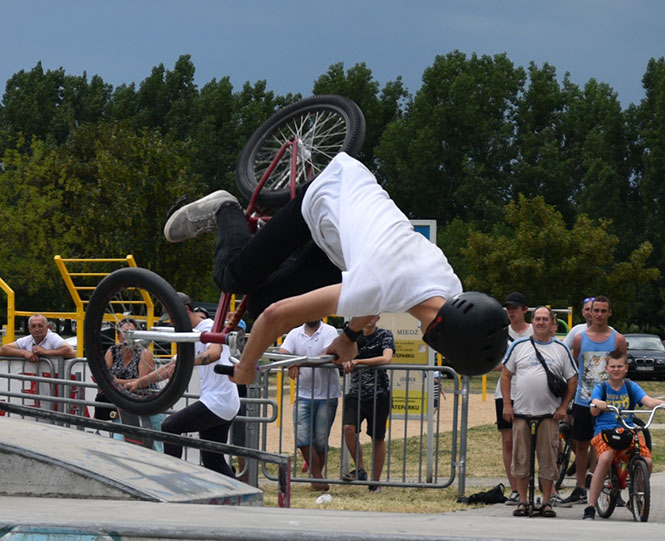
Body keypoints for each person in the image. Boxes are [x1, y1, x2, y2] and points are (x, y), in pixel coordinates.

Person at [163, 152, 508, 386]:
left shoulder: (448, 286)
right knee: (234, 278)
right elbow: (275, 317)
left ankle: (267, 248)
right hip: (326, 196)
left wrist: (349, 337)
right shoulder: (377, 283)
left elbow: (380, 295)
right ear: (441, 337)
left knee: (256, 303)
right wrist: (246, 366)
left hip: (347, 237)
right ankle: (225, 209)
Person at [128, 292, 239, 479]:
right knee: (213, 461)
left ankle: (172, 479)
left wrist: (186, 362)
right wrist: (138, 383)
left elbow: (214, 354)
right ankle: (240, 498)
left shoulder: (209, 328)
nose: (172, 323)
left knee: (170, 426)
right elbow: (169, 369)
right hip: (223, 402)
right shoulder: (192, 336)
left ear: (185, 310)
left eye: (172, 317)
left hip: (218, 401)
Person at [581, 349, 665, 520]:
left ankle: (637, 493)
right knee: (604, 459)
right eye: (613, 366)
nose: (616, 369)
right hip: (605, 431)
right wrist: (597, 404)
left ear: (626, 368)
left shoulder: (631, 387)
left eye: (620, 366)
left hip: (627, 429)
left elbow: (648, 401)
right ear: (607, 368)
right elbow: (593, 407)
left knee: (646, 461)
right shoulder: (601, 387)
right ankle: (590, 506)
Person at [500, 306, 577, 518]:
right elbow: (506, 375)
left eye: (545, 319)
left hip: (549, 415)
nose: (541, 323)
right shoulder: (519, 346)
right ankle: (523, 501)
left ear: (552, 324)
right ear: (532, 322)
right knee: (521, 458)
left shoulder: (561, 350)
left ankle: (546, 502)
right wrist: (508, 404)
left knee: (548, 459)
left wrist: (563, 407)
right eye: (537, 319)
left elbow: (572, 379)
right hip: (522, 413)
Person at [553, 295, 626, 506]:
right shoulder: (580, 339)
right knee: (582, 444)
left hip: (610, 402)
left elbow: (622, 367)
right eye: (596, 311)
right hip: (584, 400)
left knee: (608, 445)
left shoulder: (617, 339)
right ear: (589, 312)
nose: (600, 315)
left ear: (609, 313)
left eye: (604, 311)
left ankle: (607, 486)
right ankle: (580, 487)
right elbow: (574, 367)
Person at [280, 319, 341, 490]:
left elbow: (326, 355)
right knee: (302, 438)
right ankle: (317, 477)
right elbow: (283, 353)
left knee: (320, 440)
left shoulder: (329, 331)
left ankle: (316, 477)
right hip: (303, 393)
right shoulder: (295, 332)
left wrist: (298, 362)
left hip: (327, 394)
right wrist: (291, 362)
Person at [341, 316, 394, 492]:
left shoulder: (385, 335)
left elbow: (386, 359)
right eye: (364, 315)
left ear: (378, 317)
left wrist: (358, 362)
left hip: (379, 394)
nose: (368, 319)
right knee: (348, 428)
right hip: (356, 393)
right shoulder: (351, 337)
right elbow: (335, 354)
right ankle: (361, 469)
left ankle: (375, 482)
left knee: (377, 437)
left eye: (371, 315)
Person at [493, 292, 533, 505]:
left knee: (530, 442)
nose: (511, 312)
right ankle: (515, 489)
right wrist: (514, 366)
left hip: (532, 393)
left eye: (515, 308)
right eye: (508, 308)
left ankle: (536, 485)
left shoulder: (535, 331)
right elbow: (493, 363)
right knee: (508, 441)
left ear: (524, 310)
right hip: (505, 392)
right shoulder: (501, 333)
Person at [106, 318, 163, 452]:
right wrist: (123, 382)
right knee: (119, 445)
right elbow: (105, 376)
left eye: (133, 332)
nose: (129, 335)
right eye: (126, 332)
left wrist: (117, 381)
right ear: (119, 336)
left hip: (148, 406)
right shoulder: (112, 351)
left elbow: (141, 381)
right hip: (123, 407)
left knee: (153, 448)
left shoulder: (144, 353)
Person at [0, 314, 75, 363]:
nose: (37, 329)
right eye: (33, 326)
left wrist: (45, 352)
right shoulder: (28, 339)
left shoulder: (52, 337)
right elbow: (3, 350)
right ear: (29, 329)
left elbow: (70, 352)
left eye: (40, 326)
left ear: (47, 327)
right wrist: (25, 353)